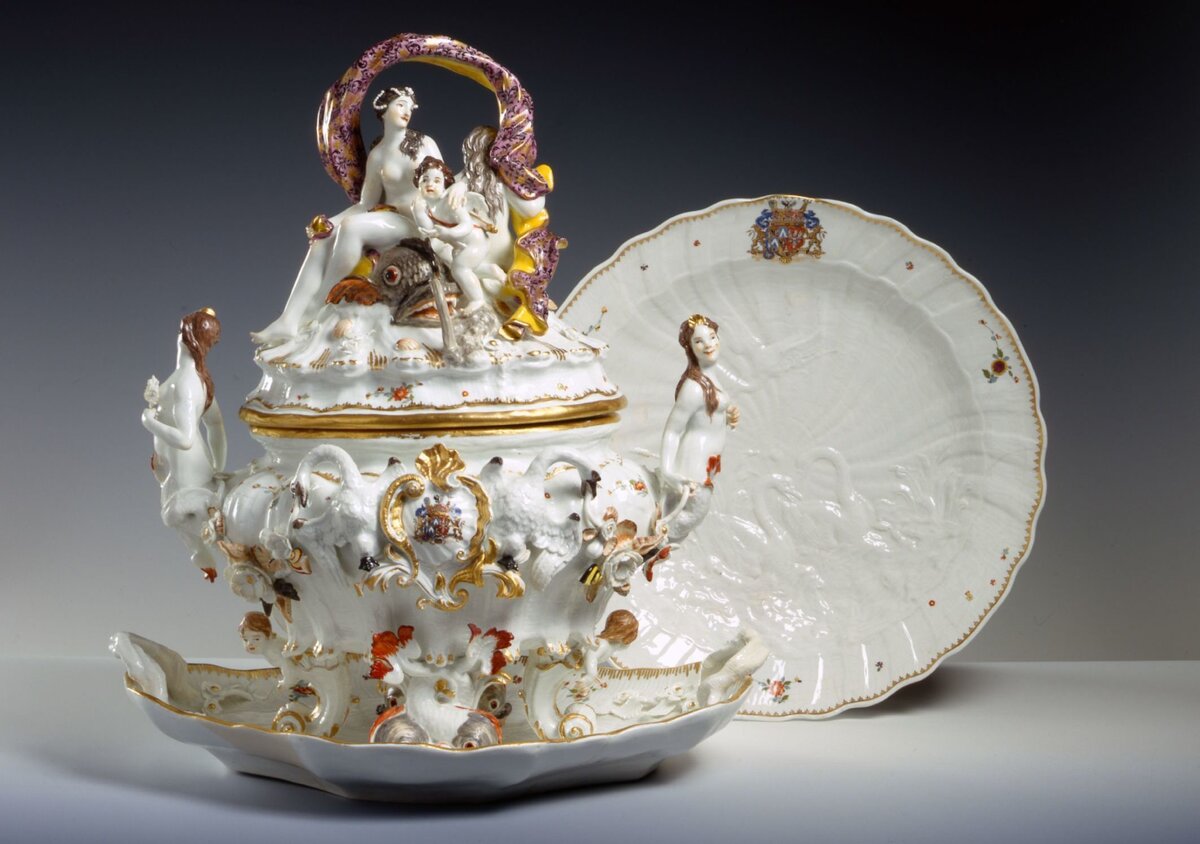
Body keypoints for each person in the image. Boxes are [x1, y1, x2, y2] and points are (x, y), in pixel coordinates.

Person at [252, 87, 441, 343]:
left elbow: (444, 182)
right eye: (400, 105)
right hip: (391, 219)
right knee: (323, 239)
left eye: (410, 106)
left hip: (416, 223)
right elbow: (366, 204)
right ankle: (288, 319)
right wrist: (330, 223)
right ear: (383, 110)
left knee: (351, 228)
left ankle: (318, 304)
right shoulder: (378, 156)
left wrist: (455, 196)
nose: (407, 111)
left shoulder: (424, 144)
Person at [142, 308, 227, 579]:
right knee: (186, 525)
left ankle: (211, 560)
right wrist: (218, 467)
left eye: (182, 330)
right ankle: (207, 560)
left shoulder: (187, 383)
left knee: (183, 520)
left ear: (189, 337)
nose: (178, 335)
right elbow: (215, 425)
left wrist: (148, 421)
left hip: (189, 476)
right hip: (179, 474)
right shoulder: (189, 379)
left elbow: (186, 439)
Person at [659, 314, 739, 487]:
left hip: (710, 459)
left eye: (712, 337)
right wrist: (667, 471)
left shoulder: (711, 379)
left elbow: (704, 419)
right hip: (695, 460)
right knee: (694, 503)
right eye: (699, 341)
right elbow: (672, 431)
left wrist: (726, 417)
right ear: (690, 348)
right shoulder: (694, 388)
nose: (708, 344)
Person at [409, 156, 493, 313]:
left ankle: (477, 300)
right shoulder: (427, 207)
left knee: (460, 269)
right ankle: (494, 272)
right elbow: (427, 231)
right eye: (425, 180)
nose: (430, 184)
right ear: (418, 184)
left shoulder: (450, 201)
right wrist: (417, 212)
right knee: (469, 267)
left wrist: (447, 233)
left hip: (475, 242)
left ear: (444, 185)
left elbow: (467, 226)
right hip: (461, 246)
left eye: (436, 181)